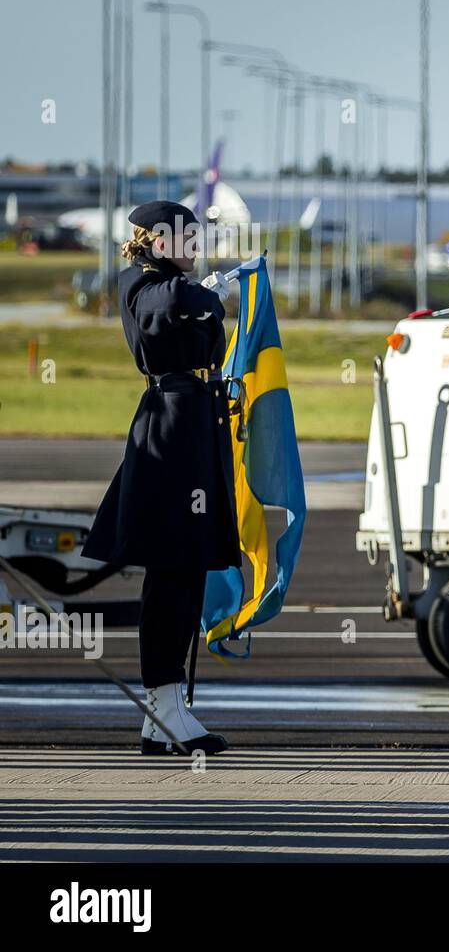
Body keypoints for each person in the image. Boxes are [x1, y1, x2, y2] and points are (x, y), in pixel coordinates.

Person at [83, 200, 240, 755]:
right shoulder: (142, 282)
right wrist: (214, 297)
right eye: (185, 239)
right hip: (170, 432)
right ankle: (165, 703)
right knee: (175, 568)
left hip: (195, 424)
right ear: (155, 240)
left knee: (186, 567)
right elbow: (165, 305)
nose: (195, 250)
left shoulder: (172, 285)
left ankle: (163, 714)